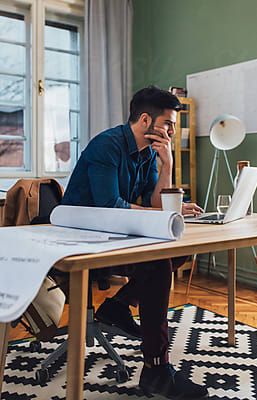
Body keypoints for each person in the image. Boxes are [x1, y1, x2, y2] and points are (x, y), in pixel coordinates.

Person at [62, 86, 208, 399]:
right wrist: (162, 211)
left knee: (175, 253)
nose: (171, 131)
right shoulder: (107, 145)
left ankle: (116, 307)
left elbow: (152, 201)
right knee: (156, 264)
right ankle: (156, 370)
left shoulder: (145, 154)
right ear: (145, 120)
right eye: (168, 123)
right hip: (81, 237)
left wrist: (167, 164)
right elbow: (109, 206)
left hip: (115, 234)